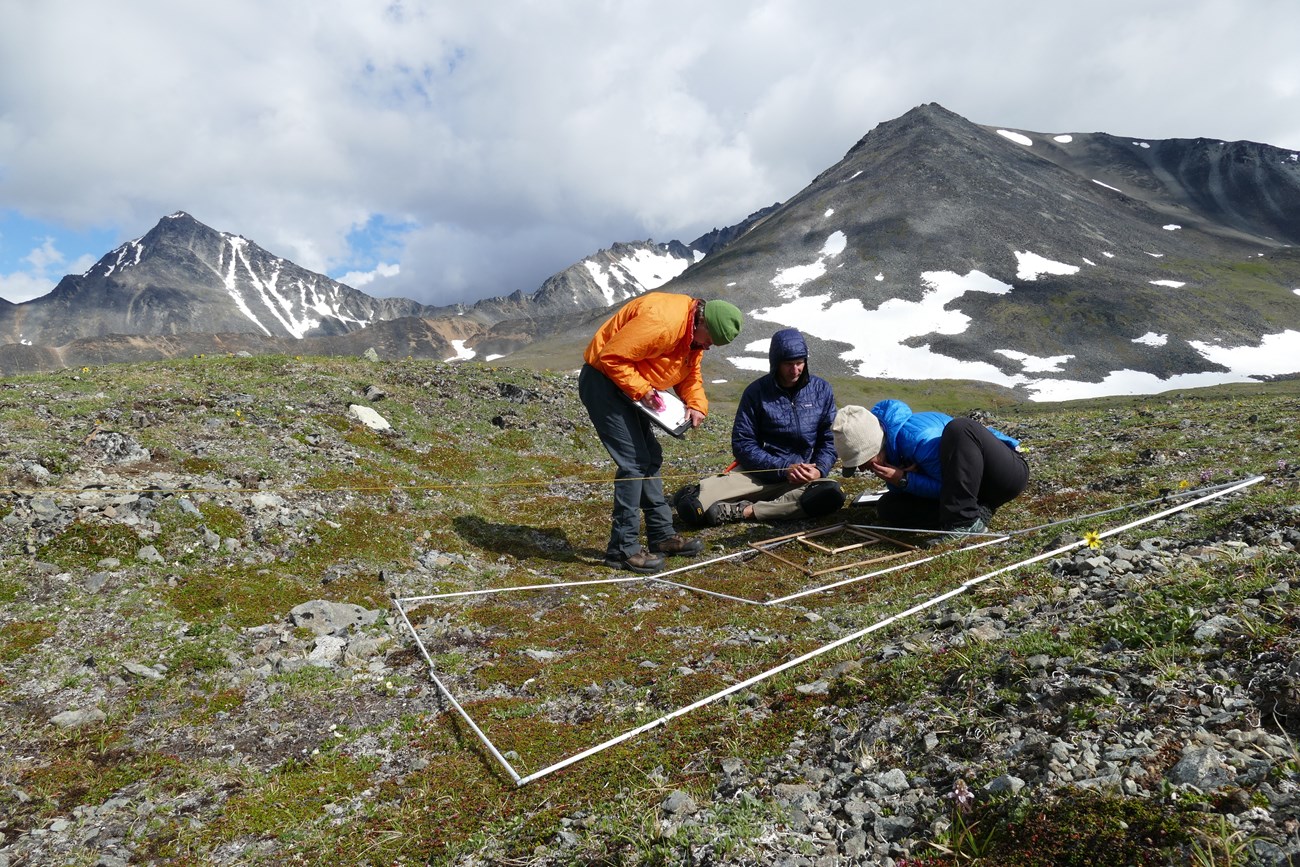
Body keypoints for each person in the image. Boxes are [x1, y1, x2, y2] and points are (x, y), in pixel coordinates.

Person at [580, 293, 744, 572]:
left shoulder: (693, 332)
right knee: (633, 463)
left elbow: (690, 372)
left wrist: (696, 404)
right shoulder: (664, 322)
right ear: (702, 322)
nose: (709, 347)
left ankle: (662, 536)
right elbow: (612, 357)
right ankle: (622, 550)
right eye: (710, 340)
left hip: (630, 388)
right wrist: (643, 391)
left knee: (650, 458)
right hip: (604, 382)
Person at [673, 328, 844, 526]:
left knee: (831, 494)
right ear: (776, 362)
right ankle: (709, 493)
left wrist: (820, 470)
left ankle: (745, 511)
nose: (795, 370)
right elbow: (743, 444)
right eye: (788, 364)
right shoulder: (756, 392)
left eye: (799, 363)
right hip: (760, 473)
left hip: (803, 478)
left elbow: (829, 438)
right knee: (693, 509)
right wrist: (783, 468)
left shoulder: (821, 390)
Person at [849, 399, 1028, 541]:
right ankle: (978, 510)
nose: (862, 468)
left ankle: (965, 524)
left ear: (873, 446)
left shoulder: (918, 439)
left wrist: (905, 479)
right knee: (889, 507)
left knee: (960, 428)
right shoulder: (890, 446)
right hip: (968, 488)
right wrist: (901, 480)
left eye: (863, 460)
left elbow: (952, 488)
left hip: (1003, 476)